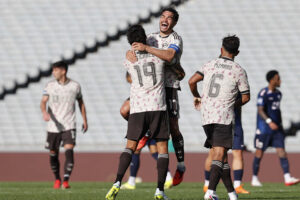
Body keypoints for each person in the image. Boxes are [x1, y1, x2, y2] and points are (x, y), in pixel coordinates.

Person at [105, 25, 170, 200]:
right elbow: (169, 58)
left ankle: (117, 183)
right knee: (163, 149)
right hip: (157, 106)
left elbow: (130, 61)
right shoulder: (159, 58)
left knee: (130, 147)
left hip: (138, 108)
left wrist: (130, 51)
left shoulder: (128, 60)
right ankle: (159, 191)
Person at [188, 35, 250, 200]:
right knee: (219, 155)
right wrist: (232, 104)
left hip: (206, 115)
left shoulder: (209, 64)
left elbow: (192, 81)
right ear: (237, 52)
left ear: (221, 49)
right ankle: (210, 192)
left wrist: (197, 96)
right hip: (223, 116)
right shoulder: (238, 70)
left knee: (220, 156)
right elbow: (245, 98)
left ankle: (231, 194)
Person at [130, 7, 186, 186]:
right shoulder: (151, 37)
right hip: (150, 87)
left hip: (168, 86)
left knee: (173, 127)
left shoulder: (175, 39)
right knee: (125, 109)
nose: (165, 20)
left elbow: (169, 56)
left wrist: (148, 49)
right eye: (163, 16)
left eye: (169, 18)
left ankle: (181, 166)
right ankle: (146, 132)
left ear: (174, 22)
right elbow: (135, 52)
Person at [120, 73, 173, 190]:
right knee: (156, 151)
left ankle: (131, 181)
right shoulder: (151, 85)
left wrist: (133, 122)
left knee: (136, 150)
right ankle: (168, 178)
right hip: (155, 117)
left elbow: (124, 111)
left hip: (143, 121)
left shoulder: (138, 90)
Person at [40, 61, 88, 189]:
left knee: (69, 150)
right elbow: (43, 102)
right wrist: (44, 112)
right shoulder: (50, 85)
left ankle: (66, 180)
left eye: (55, 70)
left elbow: (81, 103)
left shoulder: (75, 86)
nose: (53, 72)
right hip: (53, 126)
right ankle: (57, 179)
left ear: (63, 71)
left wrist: (85, 120)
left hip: (69, 124)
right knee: (53, 153)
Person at [251, 70, 300, 187]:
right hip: (264, 129)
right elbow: (260, 110)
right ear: (272, 80)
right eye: (278, 78)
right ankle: (254, 178)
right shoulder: (263, 93)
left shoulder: (278, 94)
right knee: (259, 153)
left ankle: (287, 177)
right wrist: (269, 122)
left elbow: (277, 111)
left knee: (282, 152)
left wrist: (280, 125)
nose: (280, 81)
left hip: (277, 129)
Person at [203, 104, 250, 194]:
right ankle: (207, 183)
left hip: (235, 123)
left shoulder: (238, 90)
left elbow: (244, 99)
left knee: (238, 152)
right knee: (214, 153)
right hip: (220, 122)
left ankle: (237, 185)